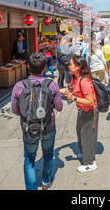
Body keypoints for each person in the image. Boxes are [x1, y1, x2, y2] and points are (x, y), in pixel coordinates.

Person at [11, 52, 63, 190]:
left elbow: (15, 110)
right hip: (48, 126)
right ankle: (46, 181)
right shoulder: (52, 85)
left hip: (28, 128)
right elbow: (59, 107)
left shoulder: (19, 86)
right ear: (45, 67)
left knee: (29, 159)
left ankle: (31, 187)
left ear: (28, 66)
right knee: (48, 154)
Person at [61, 56, 99, 173]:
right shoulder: (75, 78)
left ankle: (90, 163)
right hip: (82, 110)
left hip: (89, 111)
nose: (69, 66)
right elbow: (73, 90)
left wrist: (74, 98)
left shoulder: (85, 81)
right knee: (80, 132)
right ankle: (84, 154)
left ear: (78, 67)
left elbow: (90, 101)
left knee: (87, 135)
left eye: (71, 64)